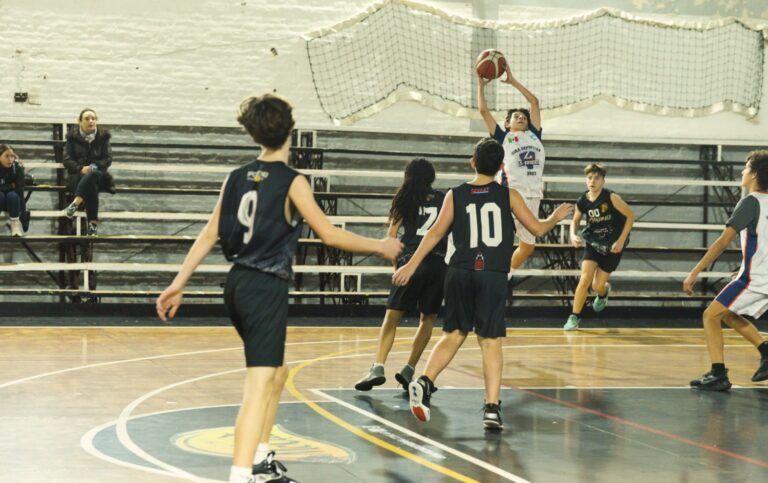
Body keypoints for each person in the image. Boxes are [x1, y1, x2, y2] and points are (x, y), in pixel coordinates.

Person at [155, 93, 402, 483]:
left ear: (253, 132)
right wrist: (380, 245)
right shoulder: (293, 181)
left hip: (236, 285)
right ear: (291, 130)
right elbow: (328, 235)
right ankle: (242, 474)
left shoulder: (236, 177)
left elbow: (208, 234)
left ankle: (260, 455)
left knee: (278, 372)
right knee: (257, 385)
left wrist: (177, 283)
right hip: (265, 286)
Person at [393, 138, 572, 430]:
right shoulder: (508, 194)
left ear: (472, 162)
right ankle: (491, 408)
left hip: (460, 271)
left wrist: (411, 265)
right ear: (502, 166)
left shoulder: (455, 194)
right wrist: (554, 217)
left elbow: (436, 233)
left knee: (453, 333)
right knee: (490, 342)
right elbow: (537, 229)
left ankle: (425, 382)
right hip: (492, 272)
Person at [355, 158, 447, 392]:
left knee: (392, 317)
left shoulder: (404, 198)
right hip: (437, 262)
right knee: (427, 318)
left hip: (410, 260)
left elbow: (392, 236)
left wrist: (398, 265)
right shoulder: (444, 198)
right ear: (432, 177)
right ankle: (409, 368)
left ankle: (378, 366)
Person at [683, 150, 768, 391]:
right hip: (760, 276)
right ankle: (765, 351)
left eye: (746, 168)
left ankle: (718, 374)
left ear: (754, 174)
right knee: (728, 314)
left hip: (753, 279)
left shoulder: (751, 202)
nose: (742, 172)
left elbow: (722, 242)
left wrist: (695, 272)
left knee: (710, 316)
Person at [477, 65, 544, 271]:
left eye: (523, 117)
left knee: (527, 247)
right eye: (516, 117)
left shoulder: (534, 134)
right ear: (507, 123)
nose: (522, 118)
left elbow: (534, 102)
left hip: (532, 195)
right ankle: (487, 272)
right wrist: (480, 86)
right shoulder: (503, 137)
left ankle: (505, 274)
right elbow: (483, 111)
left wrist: (513, 81)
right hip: (509, 194)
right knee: (498, 240)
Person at [564, 164, 635, 330]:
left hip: (612, 246)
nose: (592, 181)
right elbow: (574, 221)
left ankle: (603, 293)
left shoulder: (611, 197)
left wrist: (621, 240)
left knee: (596, 286)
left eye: (596, 178)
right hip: (593, 243)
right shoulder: (582, 200)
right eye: (589, 178)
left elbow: (631, 216)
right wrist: (573, 235)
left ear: (603, 180)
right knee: (584, 279)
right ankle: (574, 317)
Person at [62, 108, 115, 236]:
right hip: (78, 176)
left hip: (99, 175)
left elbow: (108, 158)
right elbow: (67, 159)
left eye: (93, 118)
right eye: (87, 118)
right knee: (92, 186)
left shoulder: (103, 138)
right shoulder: (72, 138)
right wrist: (81, 169)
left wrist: (94, 167)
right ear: (80, 122)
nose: (91, 121)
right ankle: (93, 225)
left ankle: (74, 204)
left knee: (94, 174)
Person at [0, 144, 25, 237]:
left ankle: (15, 226)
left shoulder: (17, 167)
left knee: (13, 196)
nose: (10, 159)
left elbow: (20, 189)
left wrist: (24, 218)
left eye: (12, 156)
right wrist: (10, 185)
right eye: (6, 156)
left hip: (12, 200)